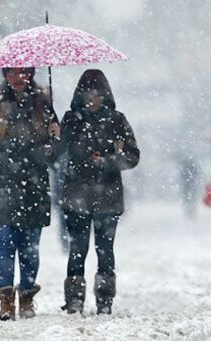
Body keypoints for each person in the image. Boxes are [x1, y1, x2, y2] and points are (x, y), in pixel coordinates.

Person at [0, 67, 61, 320]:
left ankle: (27, 298)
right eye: (12, 73)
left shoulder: (43, 105)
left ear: (31, 74)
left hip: (33, 187)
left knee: (30, 247)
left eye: (23, 73)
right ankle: (6, 302)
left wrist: (54, 139)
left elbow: (55, 155)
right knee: (4, 244)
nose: (18, 78)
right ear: (5, 75)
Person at [59, 69, 139, 315]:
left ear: (104, 95)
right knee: (77, 250)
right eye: (88, 94)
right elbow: (58, 153)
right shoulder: (71, 120)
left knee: (105, 251)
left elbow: (133, 156)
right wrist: (55, 135)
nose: (92, 99)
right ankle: (74, 300)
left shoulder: (117, 120)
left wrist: (107, 161)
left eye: (97, 94)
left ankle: (105, 300)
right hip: (77, 197)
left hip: (107, 198)